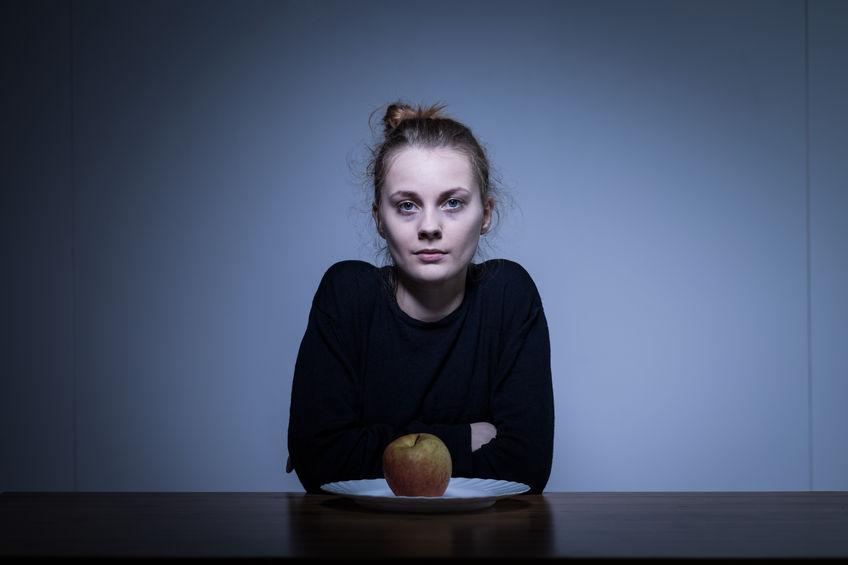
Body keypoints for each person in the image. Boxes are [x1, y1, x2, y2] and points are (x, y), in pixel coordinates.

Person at [286, 101, 554, 494]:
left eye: (453, 203)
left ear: (485, 214)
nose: (430, 227)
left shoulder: (508, 296)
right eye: (407, 206)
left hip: (485, 546)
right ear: (379, 218)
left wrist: (364, 445)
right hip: (355, 545)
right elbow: (319, 462)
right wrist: (464, 438)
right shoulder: (348, 295)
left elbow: (526, 469)